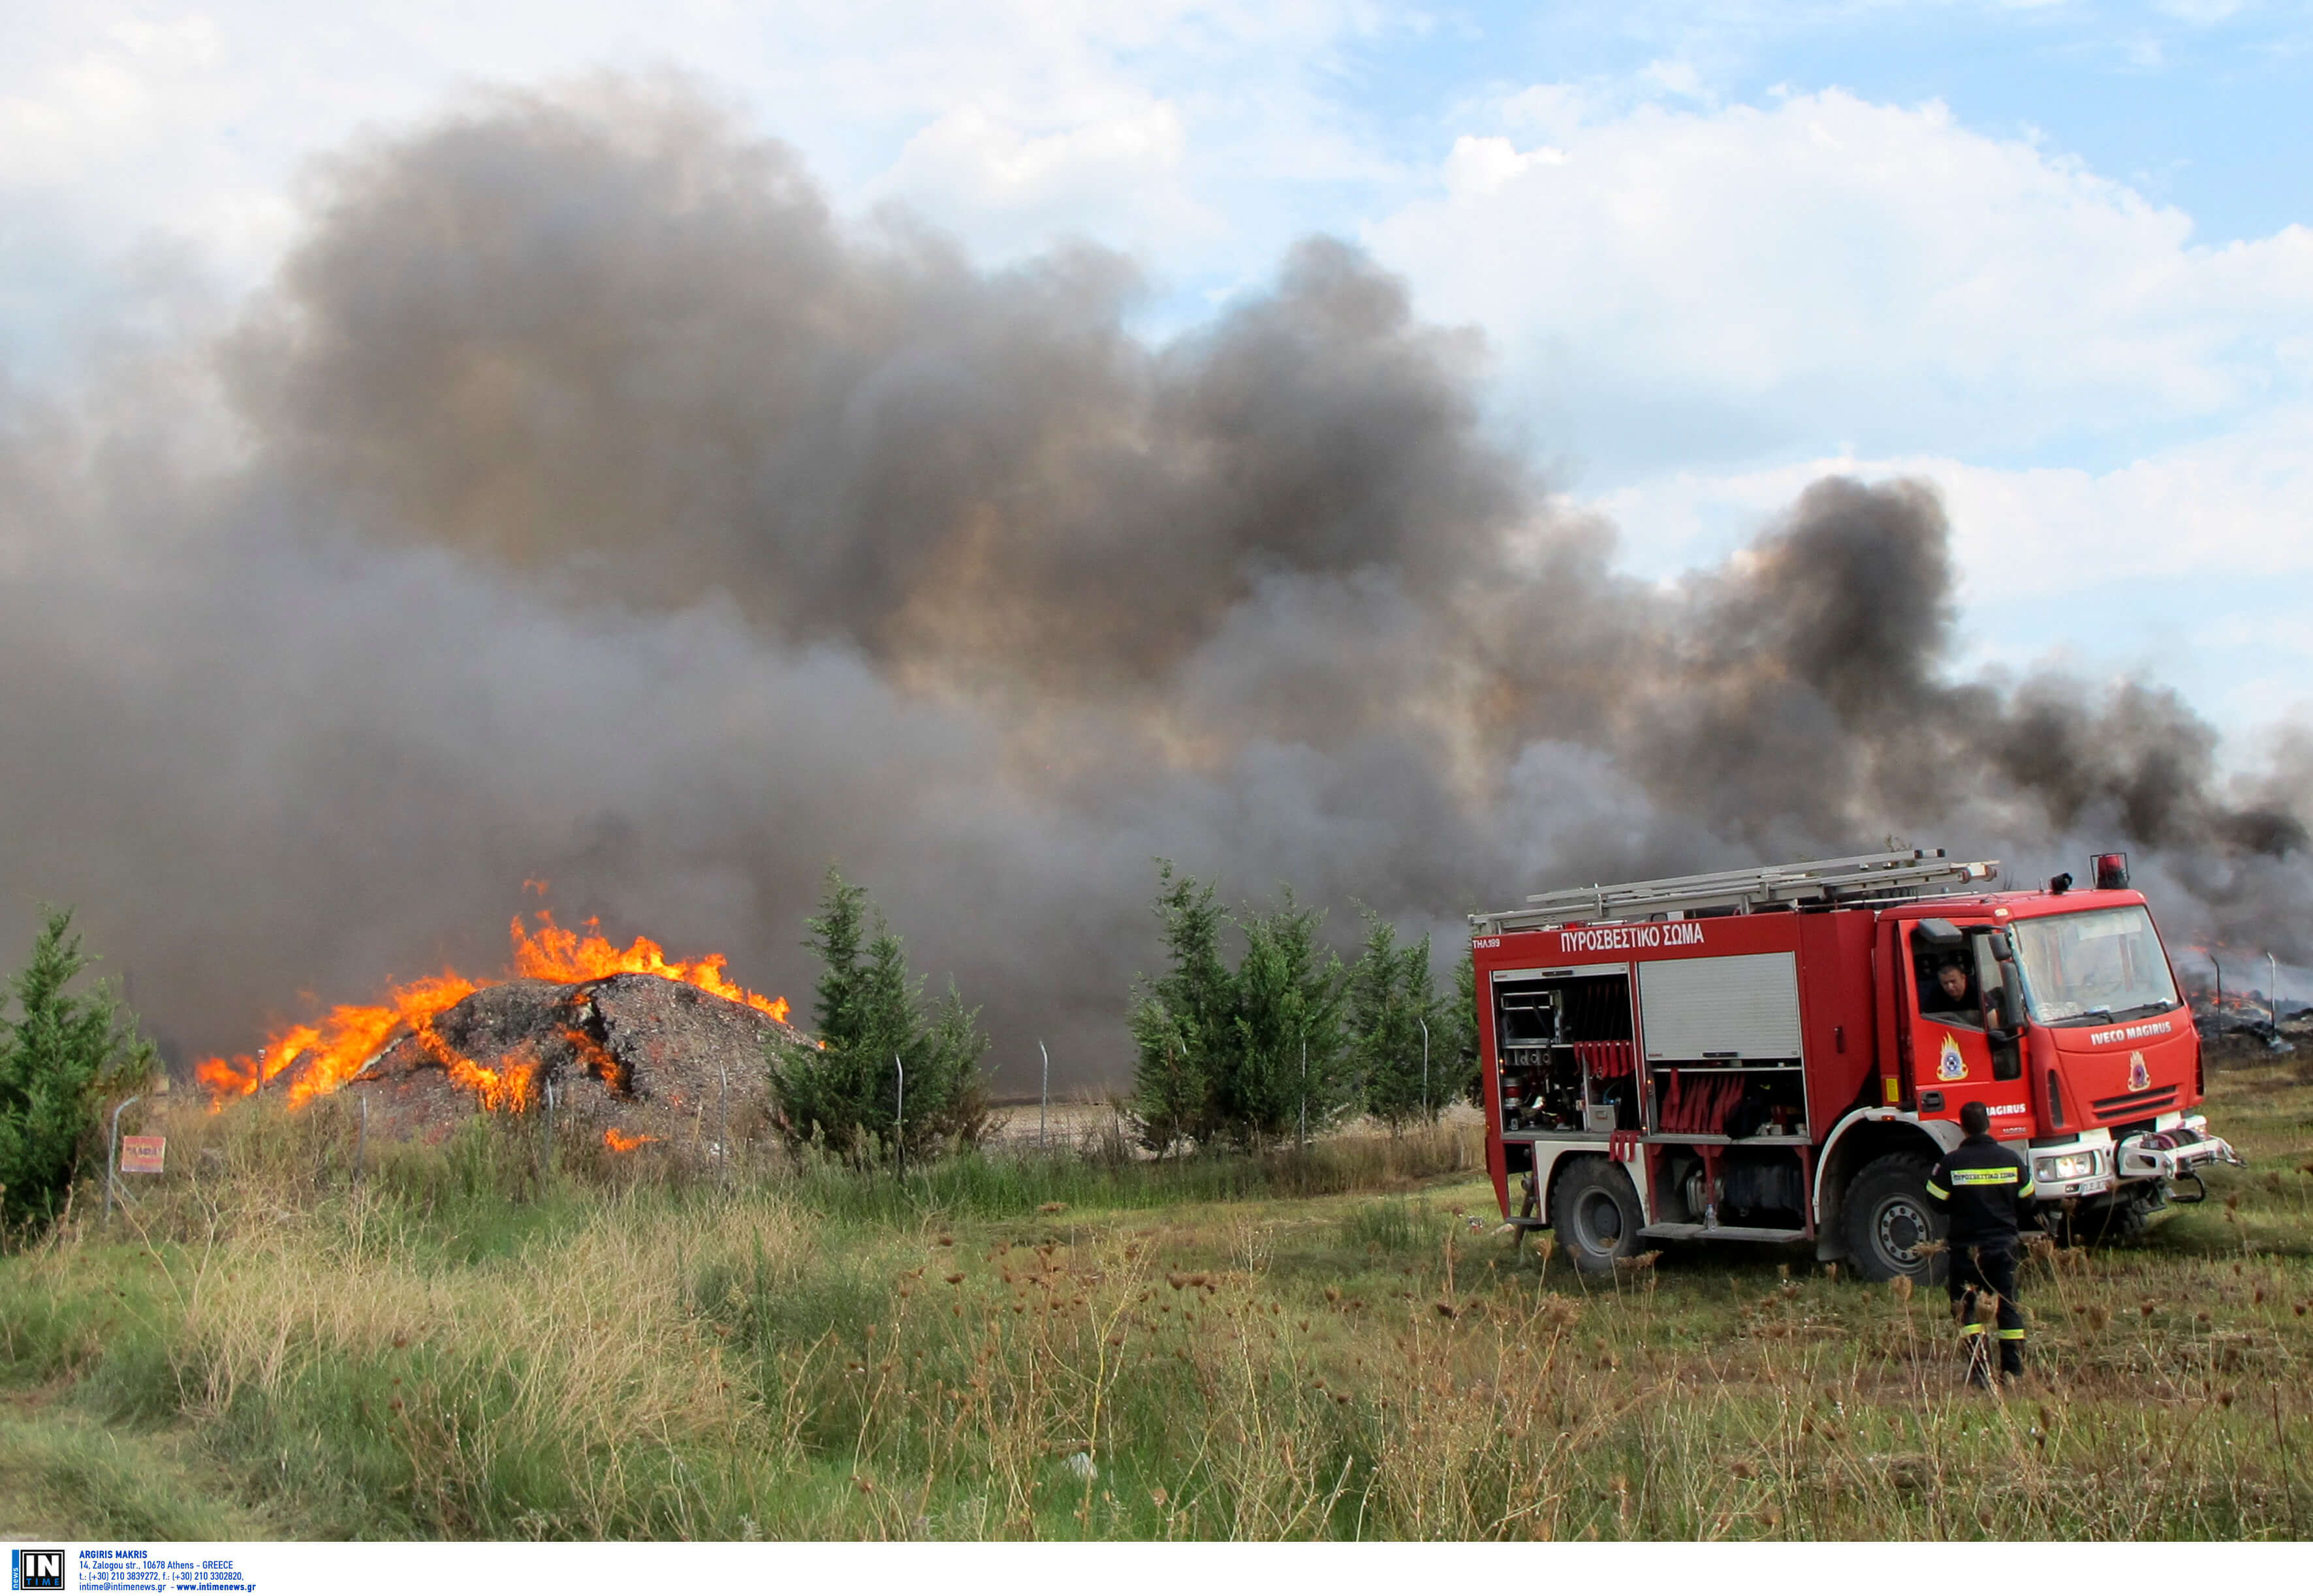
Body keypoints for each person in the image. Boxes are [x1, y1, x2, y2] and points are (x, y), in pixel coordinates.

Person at [1925, 1099, 2037, 1386]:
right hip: (2004, 1246)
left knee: (1967, 1308)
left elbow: (1934, 1202)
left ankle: (1980, 1373)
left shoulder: (1950, 1163)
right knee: (2008, 1305)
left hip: (1966, 1250)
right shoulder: (2011, 1160)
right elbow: (2029, 1202)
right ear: (1988, 1123)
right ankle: (2013, 1370)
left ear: (1963, 1128)